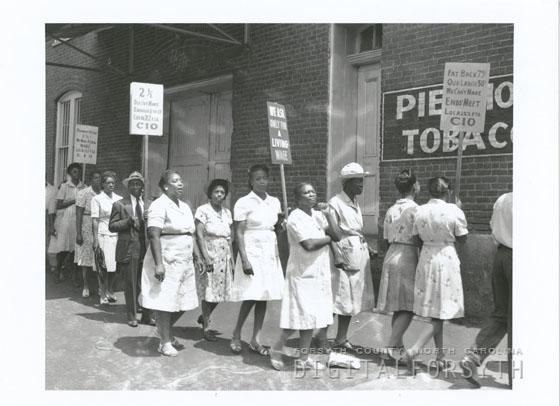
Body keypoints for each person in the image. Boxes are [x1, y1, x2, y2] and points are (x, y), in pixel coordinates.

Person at [270, 183, 338, 371]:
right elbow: (308, 244)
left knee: (311, 317)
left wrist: (329, 214)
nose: (312, 194)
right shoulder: (295, 218)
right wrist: (328, 239)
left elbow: (337, 234)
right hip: (301, 272)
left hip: (318, 272)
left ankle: (303, 357)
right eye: (306, 192)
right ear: (298, 198)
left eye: (313, 191)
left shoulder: (318, 215)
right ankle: (275, 349)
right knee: (299, 316)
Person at [402, 177, 468, 370]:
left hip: (426, 258)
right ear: (447, 191)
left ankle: (440, 356)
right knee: (442, 310)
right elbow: (463, 238)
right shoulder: (454, 210)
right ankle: (414, 350)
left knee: (437, 310)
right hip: (446, 257)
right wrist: (458, 210)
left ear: (429, 191)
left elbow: (415, 239)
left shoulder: (419, 210)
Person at [141, 170, 204, 357]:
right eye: (175, 181)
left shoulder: (184, 206)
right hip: (167, 257)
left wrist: (198, 256)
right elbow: (153, 235)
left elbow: (190, 234)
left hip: (184, 259)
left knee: (184, 300)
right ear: (165, 186)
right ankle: (165, 341)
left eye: (181, 180)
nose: (180, 184)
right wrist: (159, 264)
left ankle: (164, 331)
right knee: (165, 300)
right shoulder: (159, 205)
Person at [230, 164, 284, 356]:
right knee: (252, 295)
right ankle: (236, 334)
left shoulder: (275, 202)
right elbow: (239, 231)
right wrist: (244, 259)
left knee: (264, 297)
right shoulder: (243, 202)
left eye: (264, 178)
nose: (262, 182)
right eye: (257, 179)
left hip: (269, 251)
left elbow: (276, 228)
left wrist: (282, 225)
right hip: (252, 250)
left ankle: (256, 339)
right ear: (251, 181)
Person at [460, 191, 512, 388]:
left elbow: (493, 227)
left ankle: (473, 357)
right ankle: (518, 376)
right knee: (518, 317)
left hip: (501, 256)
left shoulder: (503, 199)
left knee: (501, 314)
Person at [328, 162, 376, 351]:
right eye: (358, 181)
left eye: (362, 181)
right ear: (347, 182)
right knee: (338, 296)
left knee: (351, 298)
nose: (361, 185)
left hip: (358, 252)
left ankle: (341, 337)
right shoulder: (335, 203)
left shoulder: (354, 202)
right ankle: (321, 336)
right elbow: (330, 231)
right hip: (344, 254)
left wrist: (368, 247)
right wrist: (338, 254)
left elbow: (356, 231)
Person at [377, 170, 420, 359]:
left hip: (391, 254)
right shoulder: (416, 210)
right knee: (409, 307)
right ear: (414, 187)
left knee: (398, 305)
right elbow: (419, 238)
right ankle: (391, 347)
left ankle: (398, 349)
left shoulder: (391, 209)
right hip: (407, 255)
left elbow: (385, 238)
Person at [109, 171, 155, 327]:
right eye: (132, 184)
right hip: (130, 248)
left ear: (142, 186)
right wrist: (128, 221)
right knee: (131, 283)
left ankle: (147, 316)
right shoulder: (120, 204)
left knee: (148, 282)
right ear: (128, 187)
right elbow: (112, 226)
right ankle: (132, 315)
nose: (136, 186)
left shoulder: (148, 204)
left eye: (138, 183)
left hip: (146, 248)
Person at [194, 178, 234, 341]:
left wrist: (231, 259)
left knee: (222, 291)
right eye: (216, 192)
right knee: (209, 291)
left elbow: (230, 237)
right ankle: (206, 327)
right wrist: (205, 257)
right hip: (210, 252)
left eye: (222, 192)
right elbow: (199, 235)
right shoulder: (203, 210)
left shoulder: (227, 212)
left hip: (224, 254)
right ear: (210, 194)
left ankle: (205, 316)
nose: (219, 195)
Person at [50, 163, 86, 284]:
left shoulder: (84, 187)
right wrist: (73, 201)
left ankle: (75, 277)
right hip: (67, 218)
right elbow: (58, 205)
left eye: (79, 172)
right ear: (70, 174)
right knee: (64, 247)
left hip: (79, 217)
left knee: (77, 248)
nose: (77, 174)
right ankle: (58, 271)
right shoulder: (65, 186)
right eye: (74, 172)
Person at [91, 171, 122, 305]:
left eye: (113, 183)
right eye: (108, 183)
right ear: (103, 184)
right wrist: (95, 239)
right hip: (103, 235)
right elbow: (95, 220)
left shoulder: (119, 199)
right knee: (102, 266)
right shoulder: (97, 199)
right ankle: (102, 293)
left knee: (115, 267)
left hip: (117, 236)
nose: (111, 185)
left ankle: (110, 290)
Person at [75, 171, 102, 298]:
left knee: (99, 256)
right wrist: (78, 233)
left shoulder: (103, 194)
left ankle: (100, 286)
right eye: (95, 178)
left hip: (100, 225)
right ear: (91, 180)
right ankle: (86, 286)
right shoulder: (83, 193)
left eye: (100, 178)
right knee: (85, 256)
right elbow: (79, 214)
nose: (98, 181)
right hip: (86, 224)